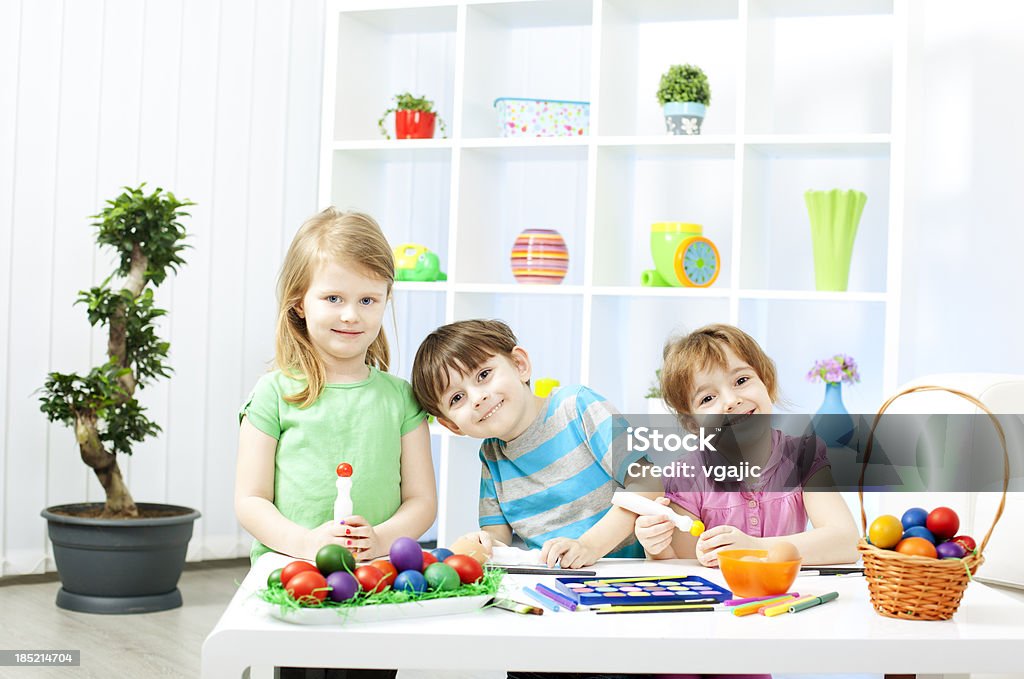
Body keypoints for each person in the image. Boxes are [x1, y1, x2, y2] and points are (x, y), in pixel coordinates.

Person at [235, 208, 436, 679]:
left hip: (374, 576)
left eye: (369, 299)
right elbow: (249, 500)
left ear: (387, 298)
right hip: (290, 577)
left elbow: (423, 500)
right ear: (299, 303)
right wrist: (306, 543)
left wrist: (381, 539)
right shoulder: (273, 394)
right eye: (333, 297)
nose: (351, 314)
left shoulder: (401, 398)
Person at [411, 319, 646, 570]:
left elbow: (649, 481)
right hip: (558, 582)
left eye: (483, 375)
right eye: (457, 398)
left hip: (633, 571)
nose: (478, 398)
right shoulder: (492, 456)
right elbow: (498, 539)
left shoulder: (576, 406)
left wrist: (590, 546)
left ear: (519, 365)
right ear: (452, 425)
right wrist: (481, 544)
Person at [633, 323, 859, 568]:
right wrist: (657, 549)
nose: (731, 401)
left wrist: (755, 549)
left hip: (788, 598)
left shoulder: (804, 456)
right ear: (692, 423)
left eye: (741, 380)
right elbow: (685, 565)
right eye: (708, 398)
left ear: (767, 383)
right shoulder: (686, 478)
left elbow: (846, 542)